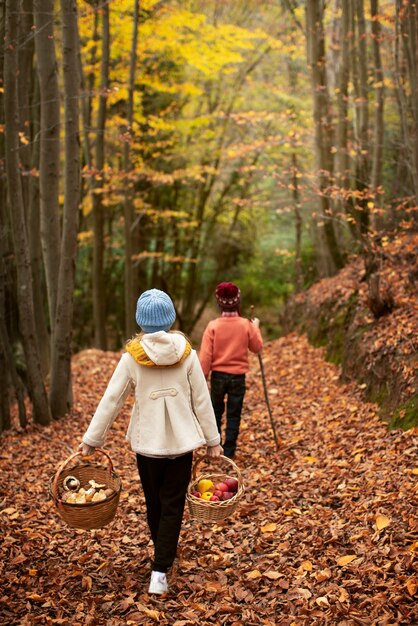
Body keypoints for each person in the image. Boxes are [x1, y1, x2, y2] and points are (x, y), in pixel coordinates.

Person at [79, 289, 222, 596]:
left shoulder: (132, 357)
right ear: (170, 319)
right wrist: (213, 440)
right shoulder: (187, 354)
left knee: (155, 502)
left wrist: (92, 440)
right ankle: (162, 564)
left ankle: (161, 562)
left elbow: (111, 401)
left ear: (140, 322)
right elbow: (201, 399)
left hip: (148, 446)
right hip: (182, 443)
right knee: (173, 503)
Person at [199, 282, 263, 459]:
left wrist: (202, 377)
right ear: (238, 302)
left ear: (219, 303)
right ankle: (229, 450)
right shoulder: (245, 325)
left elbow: (205, 356)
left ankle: (215, 447)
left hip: (218, 376)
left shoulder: (213, 326)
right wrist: (255, 327)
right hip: (238, 377)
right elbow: (257, 347)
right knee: (234, 414)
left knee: (215, 412)